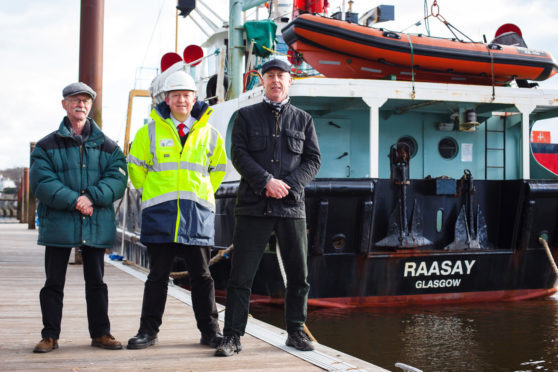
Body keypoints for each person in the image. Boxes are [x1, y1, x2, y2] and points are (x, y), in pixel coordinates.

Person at [215, 59, 321, 357]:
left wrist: (288, 184)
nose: (276, 81)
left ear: (290, 82)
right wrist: (266, 182)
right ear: (262, 81)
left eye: (281, 76)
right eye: (270, 76)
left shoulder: (304, 120)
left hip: (290, 208)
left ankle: (296, 331)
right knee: (241, 276)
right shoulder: (246, 117)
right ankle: (232, 336)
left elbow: (313, 160)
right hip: (253, 206)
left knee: (299, 275)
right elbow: (238, 153)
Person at [126, 70, 227, 350]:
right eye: (176, 95)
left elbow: (218, 169)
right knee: (157, 276)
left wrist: (202, 193)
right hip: (161, 214)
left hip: (196, 214)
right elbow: (135, 166)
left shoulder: (210, 134)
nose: (182, 100)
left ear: (195, 98)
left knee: (203, 276)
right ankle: (148, 332)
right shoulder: (148, 132)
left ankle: (210, 332)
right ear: (167, 100)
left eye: (186, 95)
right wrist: (150, 192)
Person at [30, 82, 128, 353]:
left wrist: (91, 197)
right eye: (75, 100)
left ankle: (101, 333)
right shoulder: (46, 145)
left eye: (85, 100)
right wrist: (75, 200)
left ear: (90, 106)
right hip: (59, 223)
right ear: (64, 104)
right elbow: (41, 181)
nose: (80, 104)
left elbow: (118, 177)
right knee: (53, 282)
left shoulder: (108, 146)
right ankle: (50, 335)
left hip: (95, 221)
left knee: (96, 281)